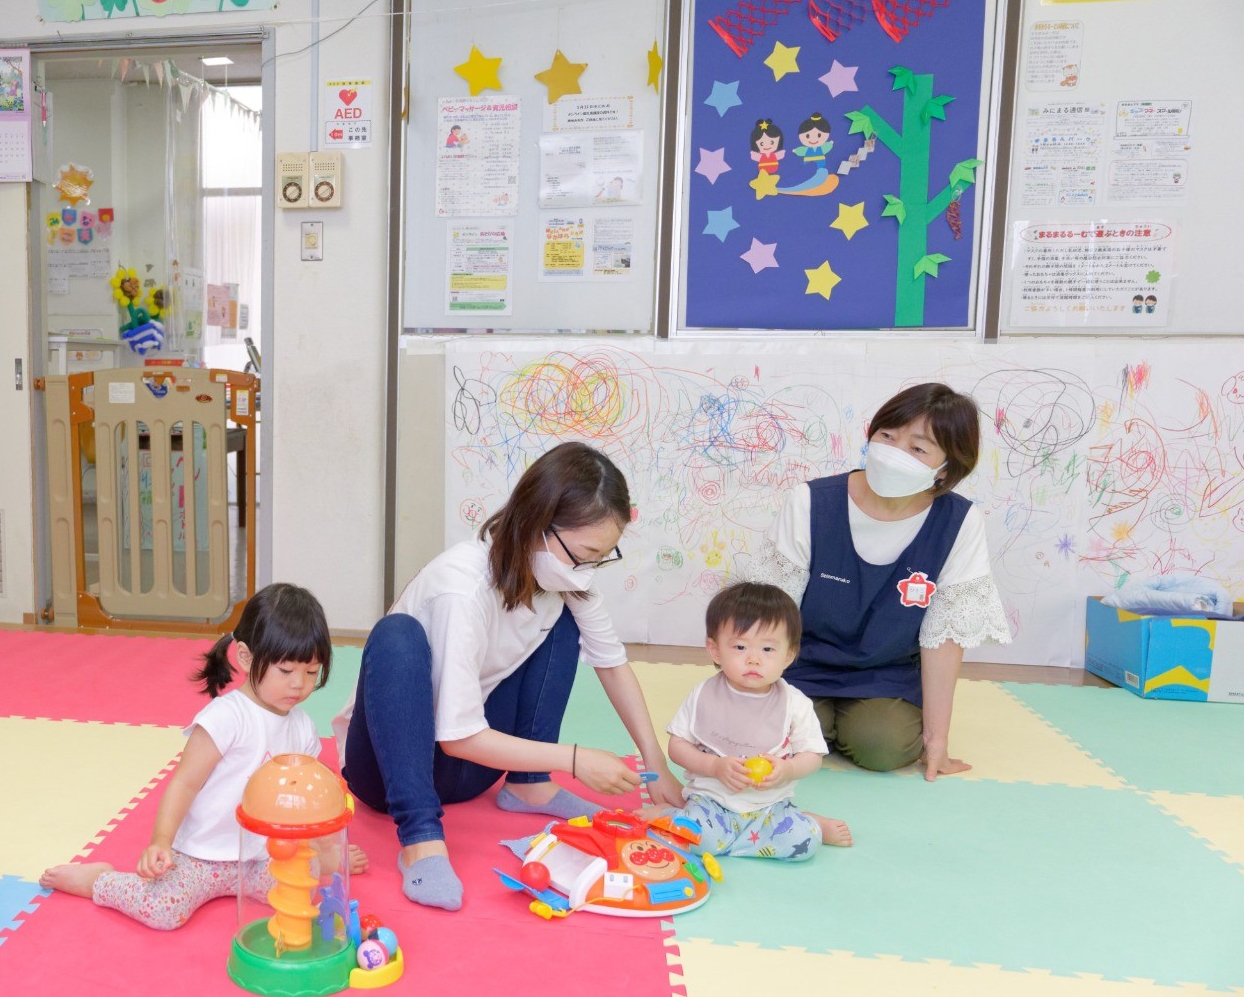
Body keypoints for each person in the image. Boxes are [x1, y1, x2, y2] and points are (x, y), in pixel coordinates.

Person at [337, 443, 685, 913]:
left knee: (567, 616)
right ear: (537, 523)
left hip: (468, 767)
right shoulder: (462, 587)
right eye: (584, 555)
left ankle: (528, 785)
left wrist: (655, 762)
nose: (585, 571)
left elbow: (611, 662)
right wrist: (575, 759)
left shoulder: (563, 577)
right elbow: (457, 735)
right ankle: (420, 839)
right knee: (396, 635)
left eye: (600, 558)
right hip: (388, 772)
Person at [42, 584, 366, 929]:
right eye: (286, 671)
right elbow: (184, 783)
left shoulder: (302, 726)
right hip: (202, 856)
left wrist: (326, 848)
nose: (299, 684)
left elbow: (308, 794)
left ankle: (322, 861)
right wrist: (161, 842)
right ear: (246, 658)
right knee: (164, 910)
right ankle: (100, 880)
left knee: (306, 888)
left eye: (311, 672)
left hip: (263, 856)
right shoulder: (226, 717)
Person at [747, 384, 1012, 780]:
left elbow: (943, 637)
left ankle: (835, 725)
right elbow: (768, 611)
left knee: (884, 745)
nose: (894, 452)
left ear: (945, 468)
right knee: (774, 735)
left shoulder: (958, 523)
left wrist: (937, 740)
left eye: (917, 448)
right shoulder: (811, 502)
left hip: (885, 674)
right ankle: (817, 721)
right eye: (887, 436)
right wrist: (747, 696)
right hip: (798, 663)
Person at [650, 582, 851, 860]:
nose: (754, 659)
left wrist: (788, 769)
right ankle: (675, 816)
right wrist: (714, 766)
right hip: (711, 802)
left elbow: (812, 755)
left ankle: (809, 822)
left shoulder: (794, 703)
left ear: (788, 655)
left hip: (770, 808)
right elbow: (677, 746)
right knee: (696, 840)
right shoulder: (704, 694)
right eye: (741, 646)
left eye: (768, 649)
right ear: (715, 650)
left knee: (802, 843)